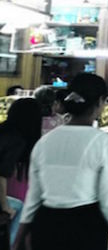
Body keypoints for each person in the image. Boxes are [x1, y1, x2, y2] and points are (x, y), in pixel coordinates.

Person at [13, 74, 108, 250]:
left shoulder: (45, 142)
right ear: (100, 102)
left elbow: (33, 196)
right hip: (86, 226)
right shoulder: (105, 143)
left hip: (46, 223)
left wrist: (20, 236)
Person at [1, 98, 40, 248]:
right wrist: (5, 206)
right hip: (10, 196)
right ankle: (12, 244)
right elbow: (2, 174)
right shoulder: (17, 140)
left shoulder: (4, 131)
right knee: (20, 208)